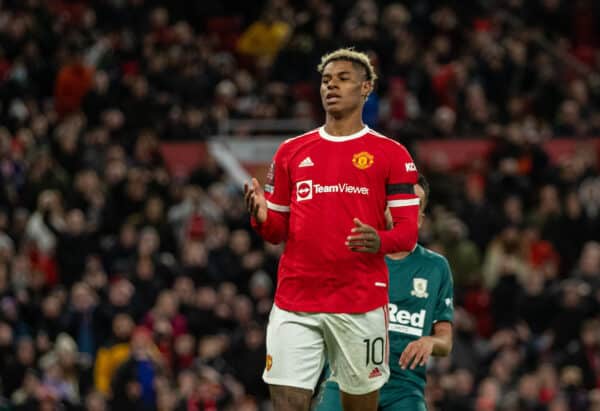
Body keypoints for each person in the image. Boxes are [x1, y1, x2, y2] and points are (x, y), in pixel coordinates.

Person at [244, 48, 420, 411]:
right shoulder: (291, 151)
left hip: (360, 302)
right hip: (296, 301)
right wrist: (261, 218)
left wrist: (379, 241)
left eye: (342, 79)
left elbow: (406, 233)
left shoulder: (392, 154)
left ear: (366, 87)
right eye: (326, 80)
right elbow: (277, 230)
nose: (331, 87)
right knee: (288, 403)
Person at [315, 175, 454, 411]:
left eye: (415, 205)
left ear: (420, 218)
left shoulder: (436, 267)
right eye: (401, 203)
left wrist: (430, 342)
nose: (407, 211)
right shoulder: (354, 254)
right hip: (347, 379)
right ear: (385, 208)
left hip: (403, 388)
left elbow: (446, 341)